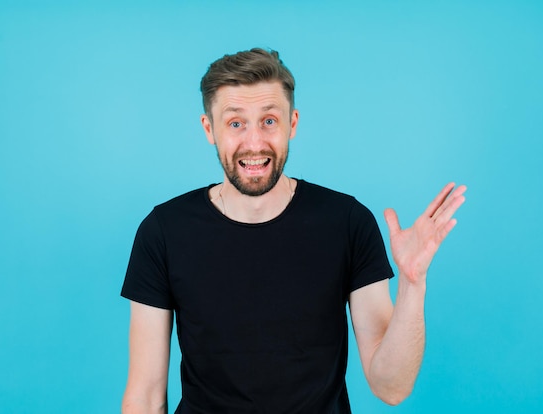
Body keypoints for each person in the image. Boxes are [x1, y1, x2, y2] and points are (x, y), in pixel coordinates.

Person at [120, 48, 466, 414]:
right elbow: (144, 396)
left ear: (292, 124)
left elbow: (390, 387)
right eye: (236, 123)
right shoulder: (163, 231)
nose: (254, 143)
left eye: (269, 121)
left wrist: (413, 283)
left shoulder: (348, 222)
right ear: (210, 129)